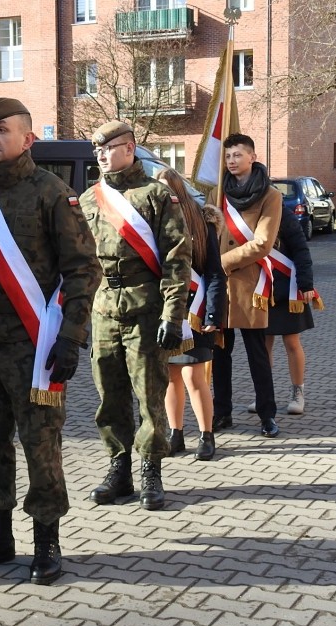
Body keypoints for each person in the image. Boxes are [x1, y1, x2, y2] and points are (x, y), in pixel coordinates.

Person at [0, 97, 100, 586]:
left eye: (3, 129)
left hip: (36, 345)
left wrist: (71, 337)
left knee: (40, 444)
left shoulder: (53, 193)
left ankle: (46, 541)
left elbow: (82, 270)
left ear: (27, 138)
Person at [80, 121, 191, 511]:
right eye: (97, 151)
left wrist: (173, 315)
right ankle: (119, 468)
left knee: (149, 396)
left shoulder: (157, 196)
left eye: (107, 148)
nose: (101, 155)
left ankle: (151, 469)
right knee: (109, 397)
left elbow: (178, 260)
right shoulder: (89, 199)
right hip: (104, 310)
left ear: (129, 148)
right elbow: (81, 265)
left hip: (146, 309)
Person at [211, 133, 282, 438]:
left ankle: (267, 415)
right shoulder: (218, 192)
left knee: (257, 356)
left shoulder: (270, 195)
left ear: (253, 156)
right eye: (228, 157)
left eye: (238, 155)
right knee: (219, 356)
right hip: (219, 288)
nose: (232, 161)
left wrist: (223, 261)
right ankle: (221, 412)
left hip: (250, 285)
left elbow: (263, 243)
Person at [154, 168, 226, 462]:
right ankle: (175, 433)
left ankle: (206, 435)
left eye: (163, 190)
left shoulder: (201, 223)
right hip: (166, 312)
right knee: (170, 378)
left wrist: (213, 315)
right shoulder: (152, 223)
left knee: (195, 377)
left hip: (195, 312)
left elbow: (215, 274)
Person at [247, 206, 321, 415]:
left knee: (291, 342)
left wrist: (306, 284)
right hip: (261, 289)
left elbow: (300, 249)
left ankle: (298, 393)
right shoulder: (247, 214)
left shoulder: (283, 214)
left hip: (288, 288)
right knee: (263, 344)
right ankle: (264, 394)